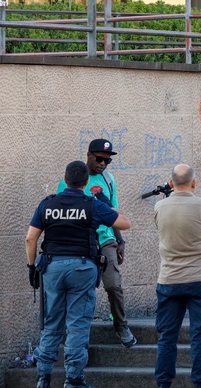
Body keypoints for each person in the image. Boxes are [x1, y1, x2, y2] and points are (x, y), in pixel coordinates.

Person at [28, 160, 131, 388]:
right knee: (78, 325)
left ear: (65, 180)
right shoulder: (92, 205)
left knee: (51, 323)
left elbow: (30, 238)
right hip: (82, 269)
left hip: (52, 268)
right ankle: (73, 379)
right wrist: (108, 206)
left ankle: (43, 378)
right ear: (85, 183)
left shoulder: (47, 204)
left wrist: (31, 267)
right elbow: (125, 224)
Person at [56, 138, 134, 348]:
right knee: (79, 289)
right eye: (99, 159)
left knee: (113, 285)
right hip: (81, 242)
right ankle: (74, 334)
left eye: (107, 161)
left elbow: (114, 214)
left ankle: (121, 325)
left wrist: (120, 240)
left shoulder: (108, 179)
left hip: (105, 240)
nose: (102, 164)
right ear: (89, 155)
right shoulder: (71, 179)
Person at [153, 164, 201, 388]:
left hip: (169, 280)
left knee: (167, 336)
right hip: (200, 279)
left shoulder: (159, 206)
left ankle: (164, 383)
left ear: (171, 183)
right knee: (200, 335)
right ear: (194, 183)